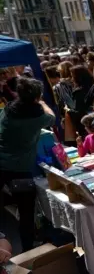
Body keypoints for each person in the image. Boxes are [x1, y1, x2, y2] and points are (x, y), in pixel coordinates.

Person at [0, 78, 55, 251]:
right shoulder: (37, 117)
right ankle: (28, 250)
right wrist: (43, 103)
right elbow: (52, 118)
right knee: (26, 212)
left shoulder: (8, 110)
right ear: (36, 97)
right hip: (20, 170)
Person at [69, 64, 94, 138]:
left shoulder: (78, 93)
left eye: (72, 76)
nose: (71, 79)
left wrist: (68, 111)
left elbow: (78, 111)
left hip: (87, 125)